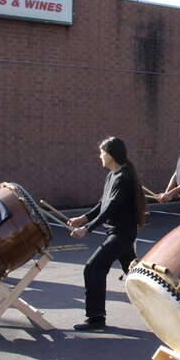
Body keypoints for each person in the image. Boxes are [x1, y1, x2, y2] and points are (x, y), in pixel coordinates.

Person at [68, 137, 146, 331]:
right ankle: (162, 307)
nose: (100, 156)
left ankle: (95, 318)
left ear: (110, 154)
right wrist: (83, 218)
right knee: (136, 275)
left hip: (122, 234)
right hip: (117, 233)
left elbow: (110, 209)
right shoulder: (113, 175)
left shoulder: (123, 177)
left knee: (93, 268)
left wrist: (87, 229)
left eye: (102, 152)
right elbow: (102, 204)